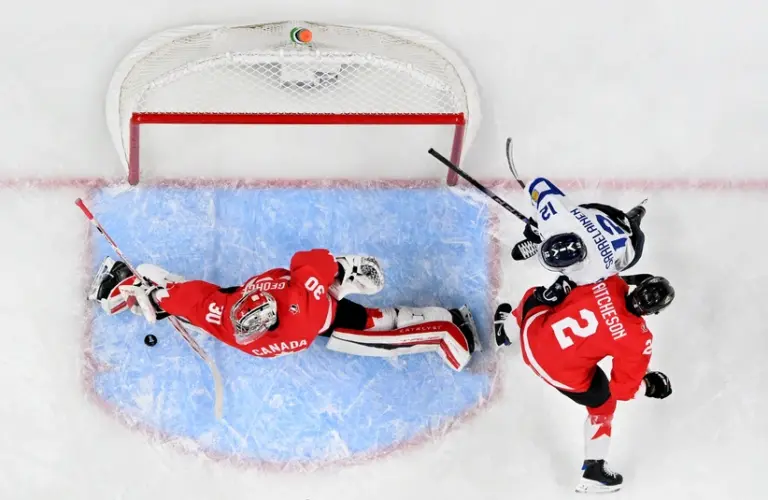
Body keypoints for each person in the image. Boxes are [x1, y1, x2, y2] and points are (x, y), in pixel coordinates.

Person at [88, 248, 478, 372]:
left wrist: (156, 298)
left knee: (377, 328)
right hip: (317, 315)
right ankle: (447, 330)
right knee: (378, 325)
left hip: (312, 311)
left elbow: (308, 261)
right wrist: (340, 273)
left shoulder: (233, 317)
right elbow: (310, 265)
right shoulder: (245, 317)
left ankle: (443, 331)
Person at [494, 272, 674, 493]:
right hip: (559, 374)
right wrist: (650, 386)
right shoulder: (638, 339)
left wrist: (629, 279)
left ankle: (505, 332)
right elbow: (624, 390)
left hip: (532, 340)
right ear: (654, 312)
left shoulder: (610, 282)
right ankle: (594, 469)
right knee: (604, 402)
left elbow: (587, 276)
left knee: (536, 296)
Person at [511, 177, 647, 286]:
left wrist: (536, 217)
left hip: (631, 244)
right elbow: (538, 185)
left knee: (605, 276)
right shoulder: (561, 217)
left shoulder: (589, 272)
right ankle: (538, 238)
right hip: (611, 219)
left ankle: (538, 237)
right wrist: (538, 219)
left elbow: (537, 185)